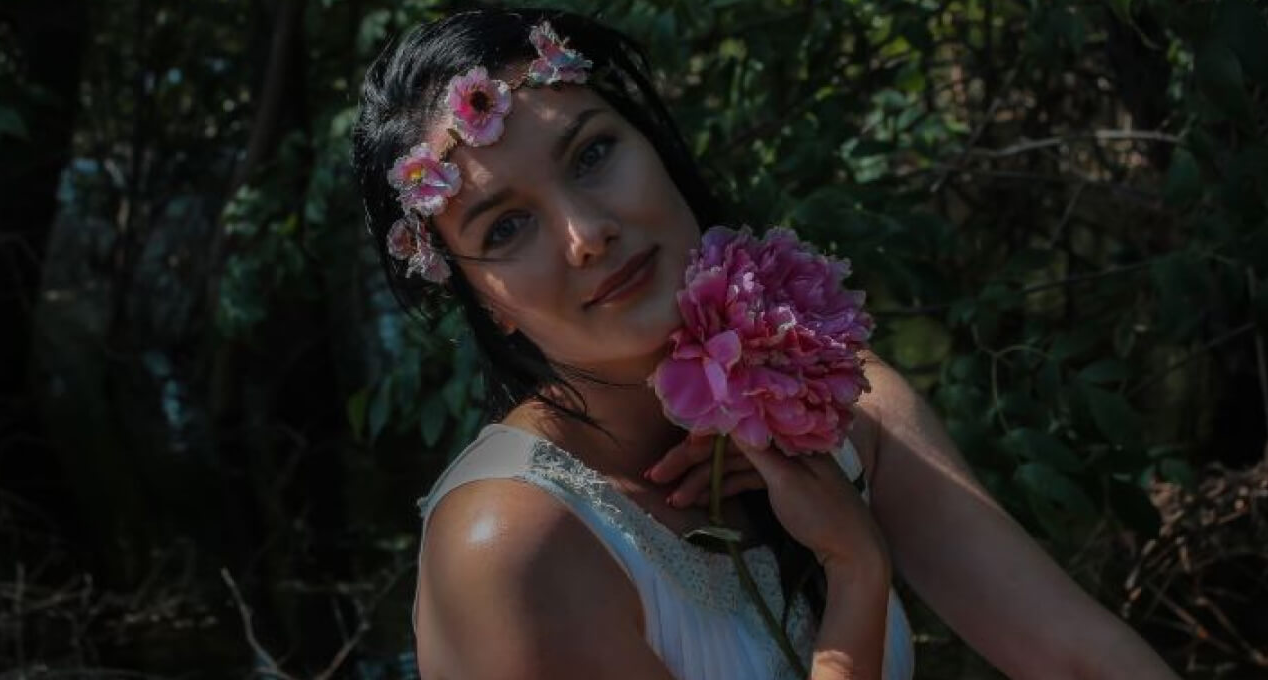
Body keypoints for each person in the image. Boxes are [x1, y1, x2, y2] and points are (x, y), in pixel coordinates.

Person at [352, 8, 1179, 679]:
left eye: (593, 153)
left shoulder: (838, 398)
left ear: (655, 145)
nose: (587, 232)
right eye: (506, 228)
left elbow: (1082, 660)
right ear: (482, 303)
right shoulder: (511, 548)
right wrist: (854, 572)